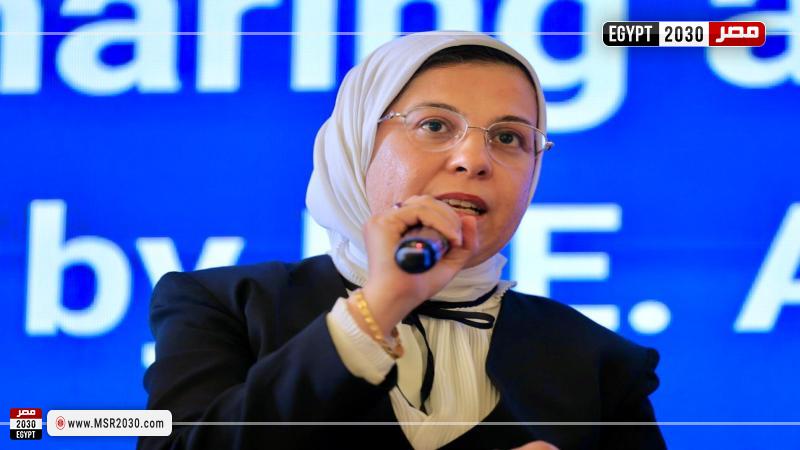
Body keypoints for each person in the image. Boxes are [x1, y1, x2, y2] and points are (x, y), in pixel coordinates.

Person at [139, 31, 666, 450]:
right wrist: (377, 308)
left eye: (509, 137)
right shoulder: (225, 306)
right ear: (357, 143)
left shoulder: (600, 362)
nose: (474, 160)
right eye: (435, 125)